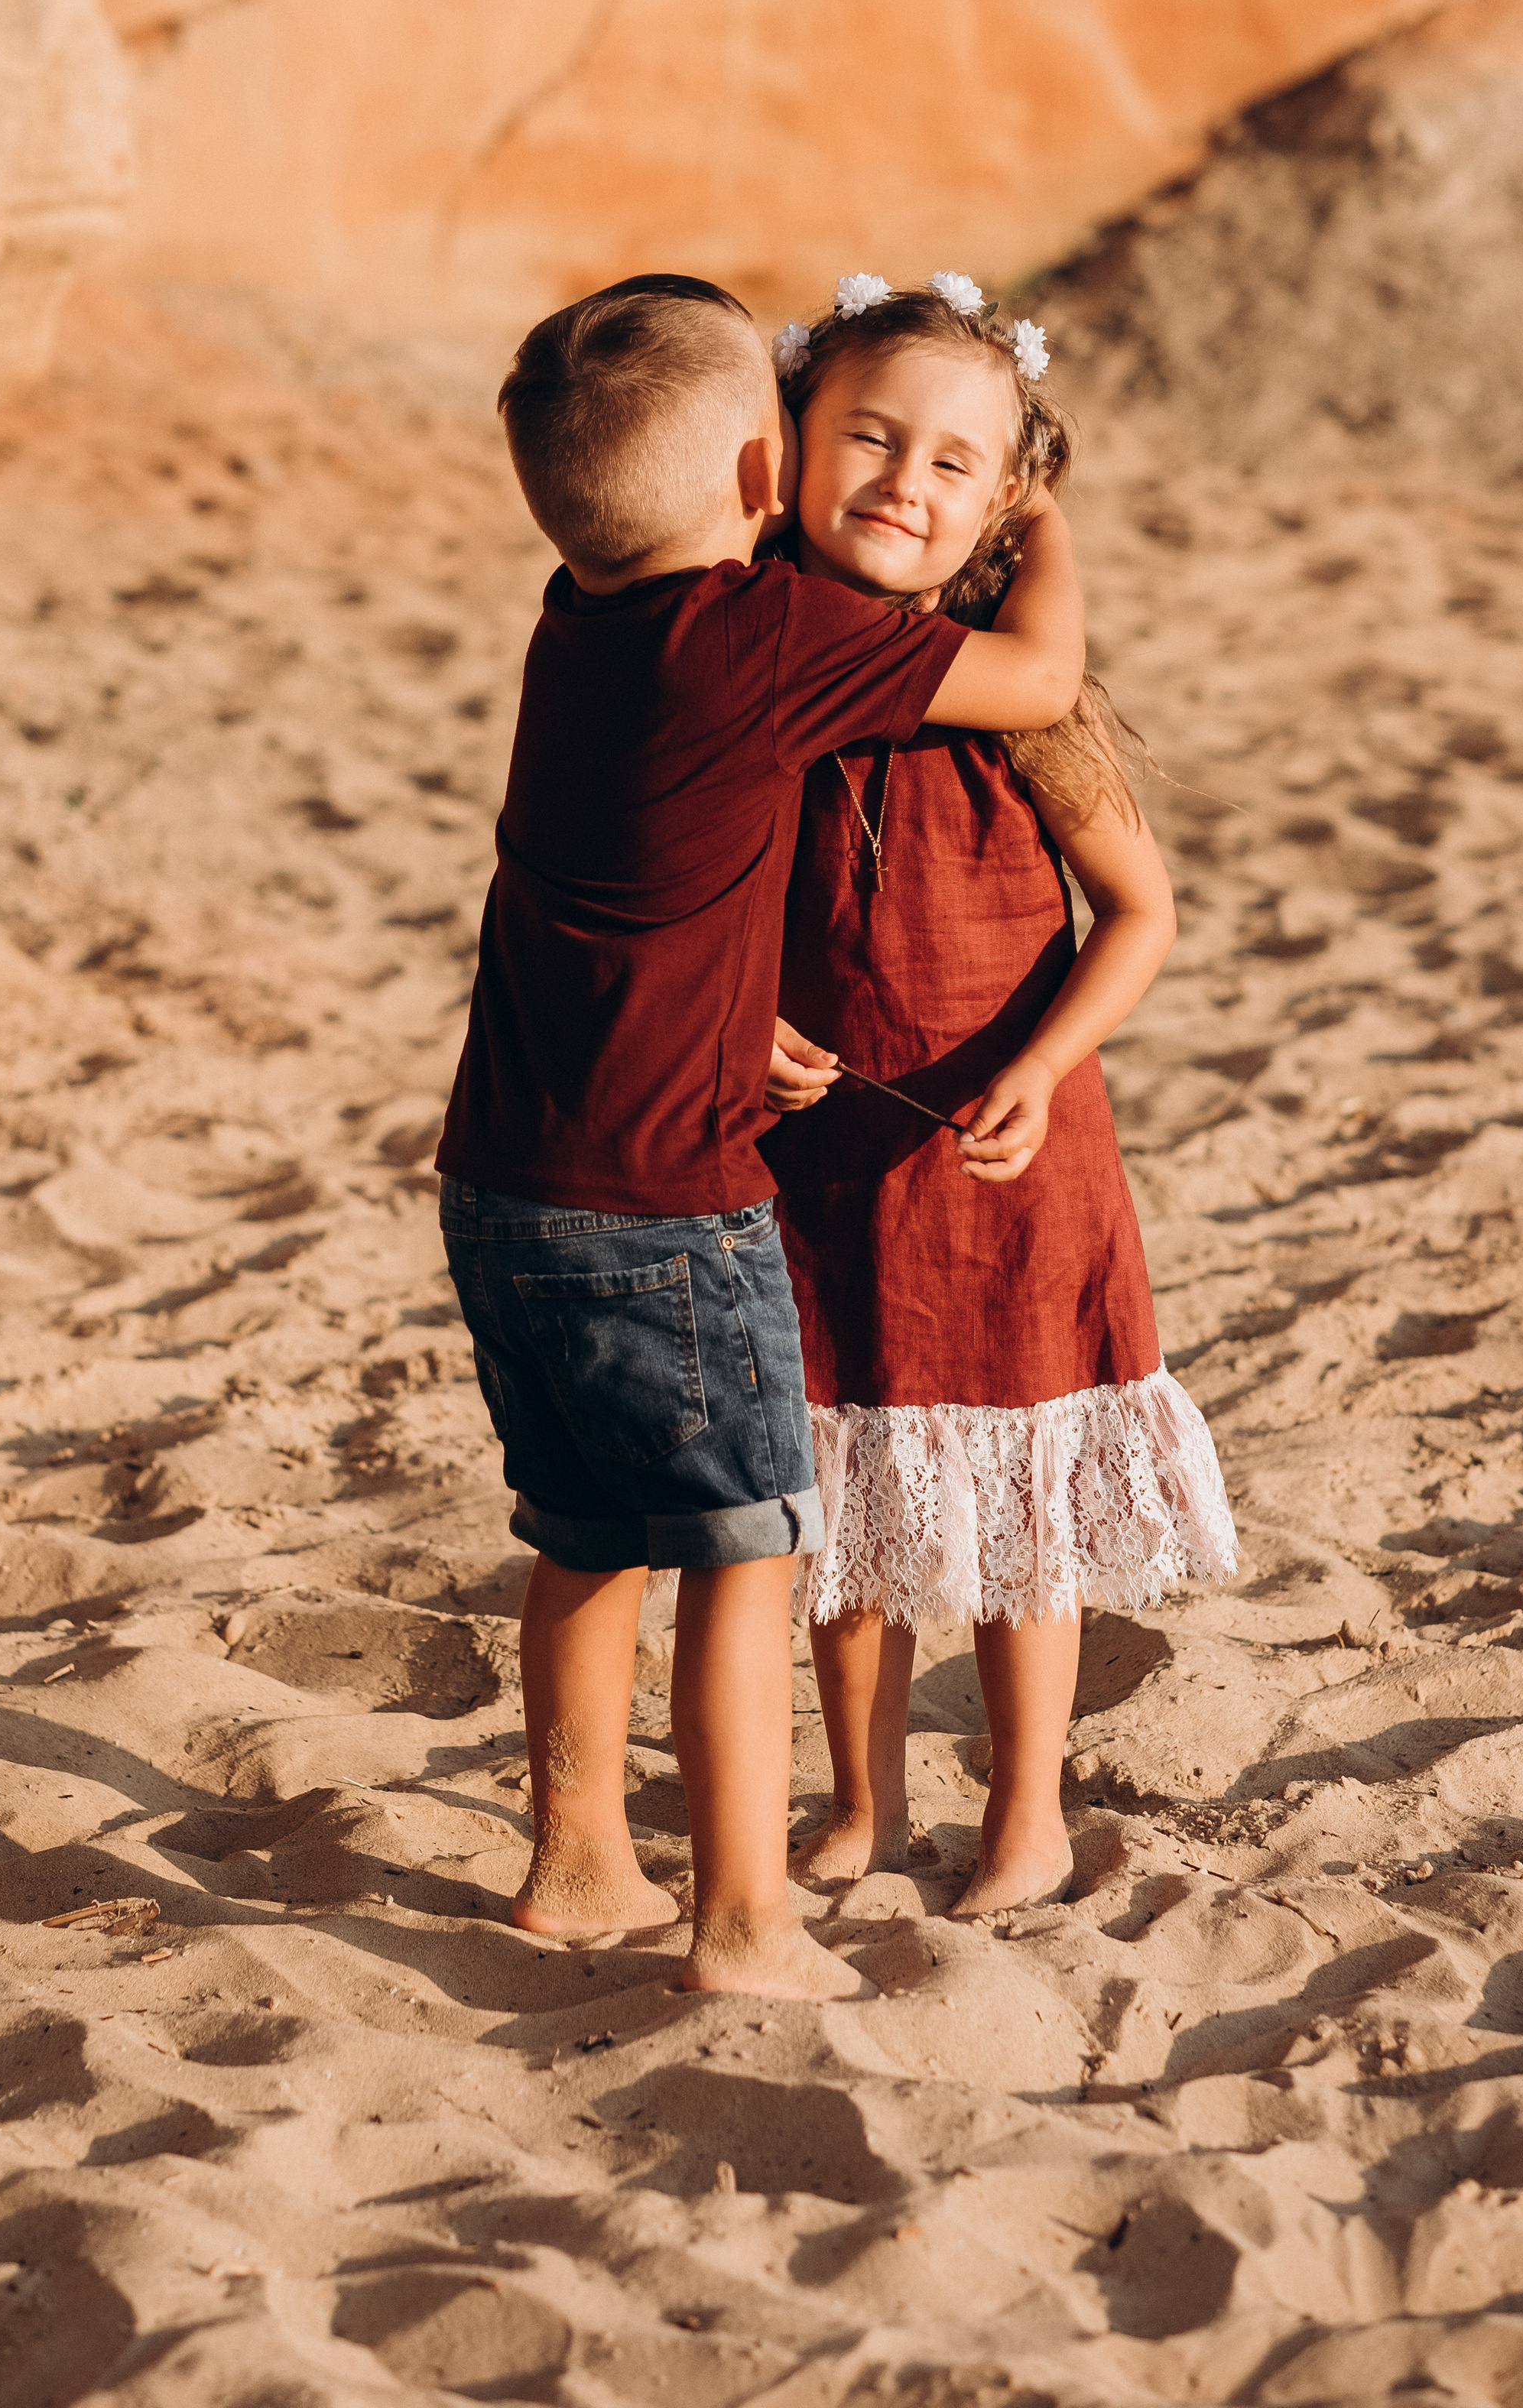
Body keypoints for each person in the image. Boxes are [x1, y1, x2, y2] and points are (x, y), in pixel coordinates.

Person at [436, 271, 1088, 1997]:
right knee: (747, 1546)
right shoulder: (762, 636)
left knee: (578, 1534)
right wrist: (1029, 515)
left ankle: (577, 1862)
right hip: (667, 1203)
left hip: (503, 1180)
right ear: (758, 474)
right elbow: (1034, 681)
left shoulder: (573, 622)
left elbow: (641, 897)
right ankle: (743, 1917)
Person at [760, 275, 1236, 1916]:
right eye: (871, 438)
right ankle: (860, 1806)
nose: (905, 480)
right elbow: (686, 892)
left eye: (955, 462)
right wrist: (737, 1014)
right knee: (848, 1492)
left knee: (1017, 1501)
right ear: (789, 442)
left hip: (1007, 1149)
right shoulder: (750, 659)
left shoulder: (1013, 690)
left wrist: (1035, 1067)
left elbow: (1141, 910)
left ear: (1005, 505)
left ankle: (1026, 1811)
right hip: (815, 1153)